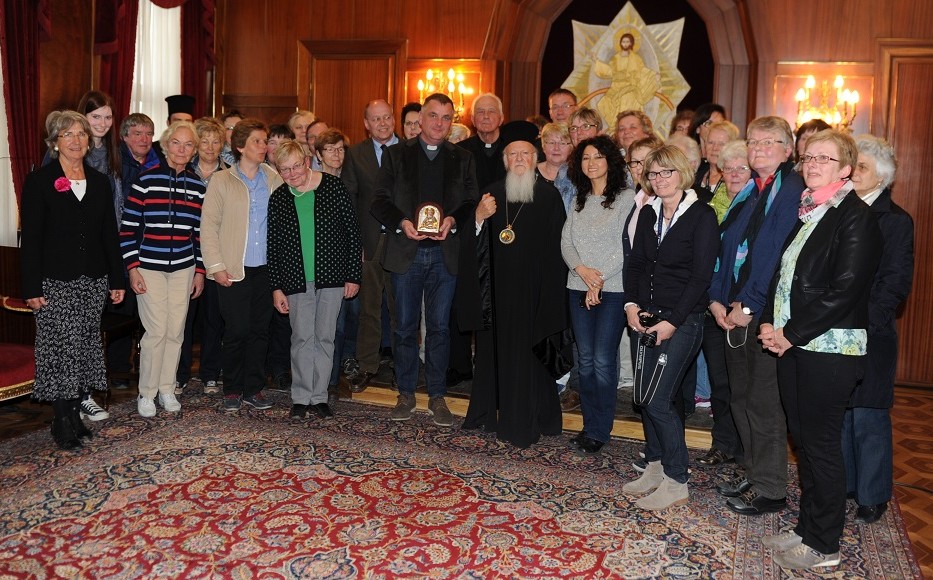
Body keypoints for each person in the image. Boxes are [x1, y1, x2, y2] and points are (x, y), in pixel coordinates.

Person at [758, 129, 882, 570]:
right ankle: (808, 528)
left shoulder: (856, 217)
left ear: (846, 168)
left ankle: (825, 544)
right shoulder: (810, 210)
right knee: (804, 441)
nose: (813, 165)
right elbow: (783, 274)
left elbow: (845, 290)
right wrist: (770, 322)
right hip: (796, 343)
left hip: (830, 351)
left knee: (822, 445)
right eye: (809, 158)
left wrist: (790, 332)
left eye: (825, 159)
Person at [709, 116, 804, 516]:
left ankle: (771, 490)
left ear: (788, 148)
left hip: (763, 313)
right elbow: (728, 245)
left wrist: (747, 305)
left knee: (763, 404)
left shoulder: (792, 189)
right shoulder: (753, 189)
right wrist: (717, 299)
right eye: (754, 141)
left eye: (770, 141)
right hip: (736, 308)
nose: (760, 148)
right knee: (742, 398)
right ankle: (754, 472)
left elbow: (775, 255)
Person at [371, 93, 479, 426]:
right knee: (403, 329)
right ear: (421, 117)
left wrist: (453, 221)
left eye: (447, 118)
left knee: (439, 330)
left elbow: (471, 200)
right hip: (407, 254)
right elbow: (378, 200)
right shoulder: (395, 155)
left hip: (444, 256)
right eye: (433, 116)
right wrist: (402, 224)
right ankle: (405, 392)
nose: (439, 124)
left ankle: (437, 396)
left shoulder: (462, 158)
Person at [21, 110, 125, 449]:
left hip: (93, 281)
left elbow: (110, 234)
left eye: (81, 133)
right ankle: (62, 420)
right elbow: (32, 238)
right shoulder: (40, 181)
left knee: (83, 348)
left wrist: (117, 279)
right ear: (54, 142)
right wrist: (31, 287)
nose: (76, 140)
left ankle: (74, 415)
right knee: (60, 351)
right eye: (68, 134)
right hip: (55, 281)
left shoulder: (99, 181)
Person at [622, 145, 718, 510]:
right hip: (645, 315)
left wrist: (673, 321)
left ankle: (677, 479)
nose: (660, 180)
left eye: (667, 173)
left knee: (660, 400)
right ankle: (655, 465)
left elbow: (700, 277)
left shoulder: (702, 215)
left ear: (682, 173)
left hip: (684, 319)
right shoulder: (647, 215)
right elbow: (636, 264)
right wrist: (631, 306)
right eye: (654, 174)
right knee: (643, 398)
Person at [462, 140, 568, 447]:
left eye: (525, 154)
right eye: (513, 155)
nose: (519, 159)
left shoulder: (549, 197)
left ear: (535, 160)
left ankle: (530, 419)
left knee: (530, 357)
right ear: (506, 161)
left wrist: (548, 297)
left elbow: (558, 252)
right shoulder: (491, 192)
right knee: (494, 353)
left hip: (534, 296)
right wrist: (479, 218)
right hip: (495, 295)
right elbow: (473, 244)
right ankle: (490, 415)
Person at [842, 134, 914, 524]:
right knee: (841, 412)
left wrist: (862, 325)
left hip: (872, 332)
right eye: (852, 165)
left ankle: (872, 495)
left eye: (863, 167)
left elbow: (894, 284)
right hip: (832, 331)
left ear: (881, 177)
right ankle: (847, 485)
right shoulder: (837, 211)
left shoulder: (896, 221)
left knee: (868, 414)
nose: (854, 172)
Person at [268, 141, 363, 419]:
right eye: (284, 170)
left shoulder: (333, 187)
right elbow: (273, 248)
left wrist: (352, 276)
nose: (292, 173)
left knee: (325, 337)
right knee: (301, 338)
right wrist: (276, 287)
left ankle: (319, 396)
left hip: (332, 277)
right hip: (295, 279)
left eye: (296, 166)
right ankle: (300, 397)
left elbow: (353, 234)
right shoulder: (280, 198)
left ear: (306, 161)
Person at [120, 120, 205, 417]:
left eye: (188, 144)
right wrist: (133, 268)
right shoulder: (145, 180)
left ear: (194, 150)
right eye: (176, 143)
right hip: (149, 268)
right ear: (166, 145)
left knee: (176, 331)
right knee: (156, 331)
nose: (182, 149)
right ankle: (147, 393)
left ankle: (167, 389)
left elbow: (199, 235)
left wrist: (199, 271)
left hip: (184, 268)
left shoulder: (197, 186)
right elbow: (128, 229)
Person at [201, 118, 284, 412]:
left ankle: (254, 388)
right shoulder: (222, 181)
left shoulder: (274, 179)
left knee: (261, 330)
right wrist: (216, 265)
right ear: (240, 147)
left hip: (265, 268)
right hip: (234, 268)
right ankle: (233, 389)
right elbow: (208, 227)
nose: (264, 147)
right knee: (236, 330)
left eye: (266, 141)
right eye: (258, 142)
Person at [561, 135, 635, 455]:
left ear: (610, 162)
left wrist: (598, 279)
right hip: (578, 285)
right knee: (586, 360)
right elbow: (565, 242)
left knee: (604, 361)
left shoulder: (627, 198)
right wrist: (582, 271)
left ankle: (599, 430)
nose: (591, 163)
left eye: (598, 157)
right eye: (586, 158)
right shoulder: (578, 198)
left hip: (613, 290)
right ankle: (589, 425)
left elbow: (626, 247)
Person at [695, 139, 751, 467]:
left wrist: (735, 305)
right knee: (719, 382)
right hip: (712, 305)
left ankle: (746, 451)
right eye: (727, 167)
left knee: (744, 386)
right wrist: (714, 302)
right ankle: (723, 443)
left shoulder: (758, 206)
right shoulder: (710, 205)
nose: (733, 173)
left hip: (745, 308)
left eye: (741, 167)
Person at [341, 99, 400, 394]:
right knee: (369, 309)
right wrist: (354, 244)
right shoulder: (356, 154)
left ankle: (404, 368)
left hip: (403, 241)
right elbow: (349, 201)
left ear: (394, 118)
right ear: (366, 123)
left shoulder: (408, 151)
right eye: (376, 119)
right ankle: (367, 366)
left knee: (402, 308)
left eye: (387, 117)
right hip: (369, 242)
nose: (382, 123)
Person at [175, 117, 229, 396]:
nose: (209, 146)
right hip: (188, 253)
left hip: (218, 256)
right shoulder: (183, 174)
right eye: (204, 140)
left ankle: (210, 373)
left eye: (215, 140)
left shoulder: (230, 175)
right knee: (184, 317)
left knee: (213, 318)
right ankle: (180, 374)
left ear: (223, 145)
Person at [593, 32, 660, 127]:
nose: (625, 44)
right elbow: (609, 71)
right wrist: (597, 61)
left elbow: (642, 71)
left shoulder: (636, 58)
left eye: (627, 42)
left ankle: (625, 126)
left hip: (630, 88)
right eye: (623, 41)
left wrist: (654, 74)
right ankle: (615, 126)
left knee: (626, 100)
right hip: (616, 87)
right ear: (620, 43)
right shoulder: (616, 58)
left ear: (631, 43)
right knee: (603, 103)